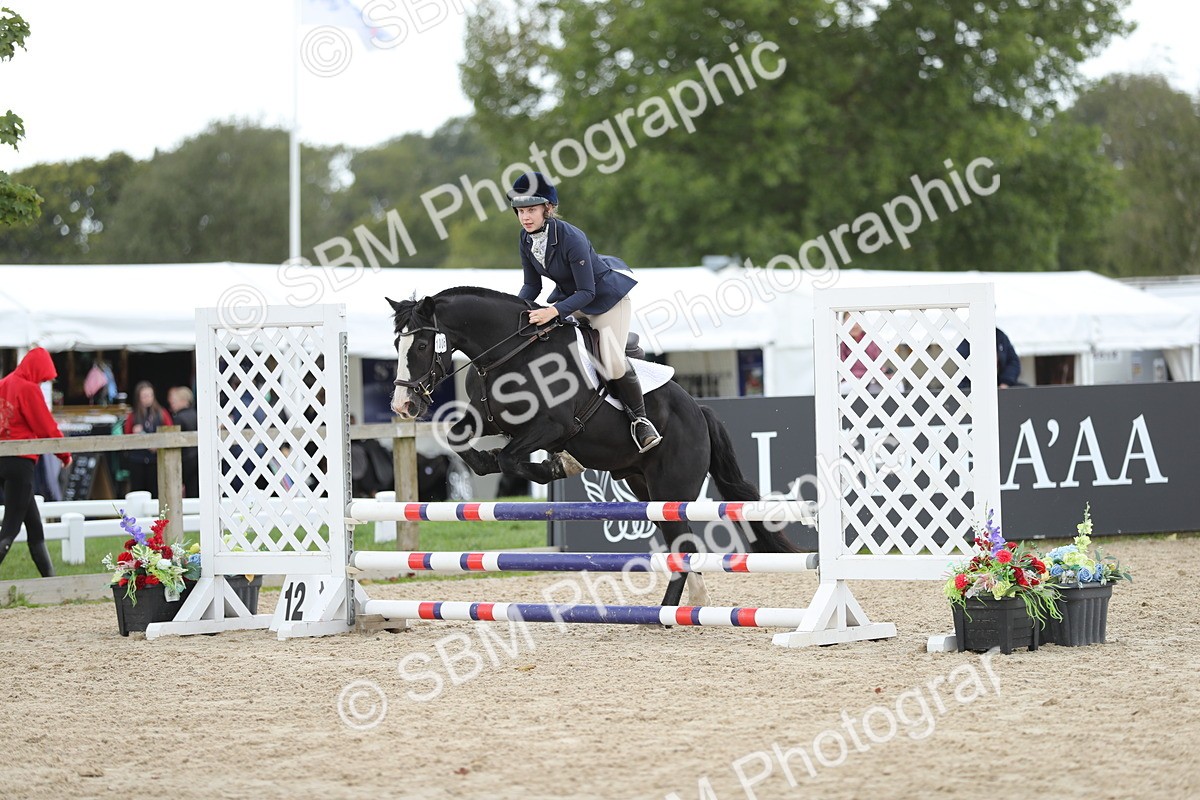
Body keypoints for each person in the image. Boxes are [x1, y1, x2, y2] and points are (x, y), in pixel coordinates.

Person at [508, 172, 662, 453]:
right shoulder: (526, 238)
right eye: (520, 211)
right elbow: (531, 285)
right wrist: (513, 313)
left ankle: (641, 421)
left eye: (531, 209)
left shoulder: (571, 237)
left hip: (604, 301)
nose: (525, 217)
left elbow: (588, 293)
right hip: (570, 299)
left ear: (548, 208)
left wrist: (553, 311)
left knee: (612, 363)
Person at [0, 347, 71, 576]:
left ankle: (50, 581)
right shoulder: (28, 388)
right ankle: (51, 583)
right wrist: (64, 454)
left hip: (3, 458)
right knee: (10, 528)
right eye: (42, 378)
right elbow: (46, 426)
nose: (41, 383)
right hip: (21, 462)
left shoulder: (5, 382)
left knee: (34, 525)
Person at [123, 381, 172, 495]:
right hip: (137, 459)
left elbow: (170, 433)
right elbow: (125, 438)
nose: (147, 399)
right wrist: (134, 434)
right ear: (139, 398)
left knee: (156, 490)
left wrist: (158, 446)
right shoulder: (133, 415)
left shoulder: (162, 413)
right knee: (138, 491)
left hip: (156, 459)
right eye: (144, 396)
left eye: (150, 395)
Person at [957, 328, 1022, 388]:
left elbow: (1013, 362)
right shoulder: (967, 338)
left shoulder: (1000, 336)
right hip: (971, 386)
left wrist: (1005, 382)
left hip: (999, 384)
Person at [167, 386, 199, 498]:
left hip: (185, 459)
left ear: (184, 401)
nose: (172, 403)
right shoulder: (196, 415)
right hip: (198, 457)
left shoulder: (179, 418)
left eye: (175, 401)